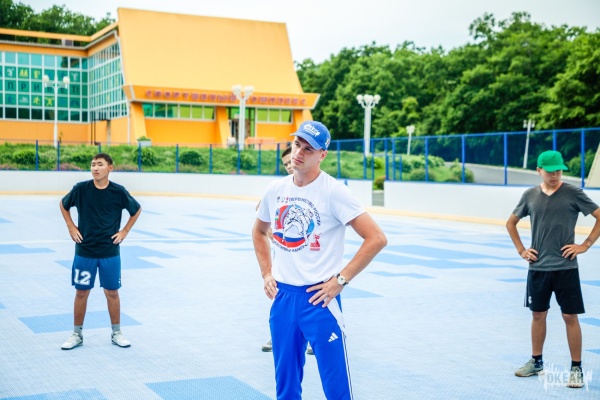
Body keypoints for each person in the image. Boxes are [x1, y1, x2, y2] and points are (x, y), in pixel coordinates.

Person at [253, 121, 387, 399]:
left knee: (336, 388)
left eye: (308, 149)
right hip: (283, 298)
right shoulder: (275, 190)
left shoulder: (334, 192)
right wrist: (267, 273)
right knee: (286, 387)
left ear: (322, 155)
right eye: (297, 145)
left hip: (320, 300)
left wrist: (341, 280)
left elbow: (376, 238)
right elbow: (259, 231)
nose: (299, 153)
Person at [506, 150, 600, 388]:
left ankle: (576, 368)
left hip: (566, 267)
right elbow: (511, 223)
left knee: (570, 316)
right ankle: (536, 362)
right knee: (538, 314)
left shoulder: (573, 193)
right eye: (549, 171)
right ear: (539, 170)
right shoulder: (530, 196)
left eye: (558, 170)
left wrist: (585, 245)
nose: (555, 175)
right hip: (538, 268)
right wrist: (522, 250)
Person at [59, 153, 142, 350]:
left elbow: (136, 210)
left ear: (110, 168)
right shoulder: (81, 189)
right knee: (81, 292)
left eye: (100, 164)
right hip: (84, 251)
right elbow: (63, 205)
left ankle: (117, 332)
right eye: (93, 165)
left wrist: (125, 231)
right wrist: (71, 226)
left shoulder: (118, 192)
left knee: (112, 292)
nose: (95, 168)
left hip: (110, 252)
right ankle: (77, 334)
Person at [261, 146, 315, 354]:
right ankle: (280, 334)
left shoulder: (319, 187)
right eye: (285, 164)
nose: (289, 166)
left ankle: (316, 337)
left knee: (316, 294)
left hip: (312, 259)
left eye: (290, 162)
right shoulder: (279, 189)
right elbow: (261, 216)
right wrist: (273, 234)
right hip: (286, 255)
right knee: (282, 292)